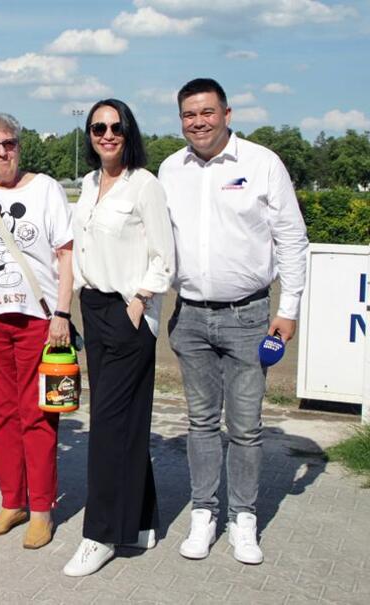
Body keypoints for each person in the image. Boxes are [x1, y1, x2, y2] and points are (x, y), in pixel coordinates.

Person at [159, 78, 308, 565]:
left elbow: (292, 238)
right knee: (201, 423)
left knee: (245, 427)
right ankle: (204, 511)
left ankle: (243, 517)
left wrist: (289, 310)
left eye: (206, 112)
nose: (198, 122)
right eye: (188, 115)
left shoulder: (262, 163)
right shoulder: (170, 169)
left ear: (227, 113)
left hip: (249, 316)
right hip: (191, 317)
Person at [62, 99, 175, 576]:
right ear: (89, 135)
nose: (106, 134)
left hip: (129, 311)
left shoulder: (144, 185)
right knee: (124, 421)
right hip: (94, 307)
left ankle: (101, 533)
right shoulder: (89, 184)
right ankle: (142, 521)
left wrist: (141, 297)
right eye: (97, 127)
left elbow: (165, 255)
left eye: (115, 126)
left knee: (107, 425)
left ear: (128, 131)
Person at [0, 112, 73, 550]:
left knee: (38, 413)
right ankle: (12, 501)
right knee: (0, 413)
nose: (2, 151)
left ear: (19, 146)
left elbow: (66, 255)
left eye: (9, 143)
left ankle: (41, 509)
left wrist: (62, 312)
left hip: (36, 319)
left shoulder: (46, 190)